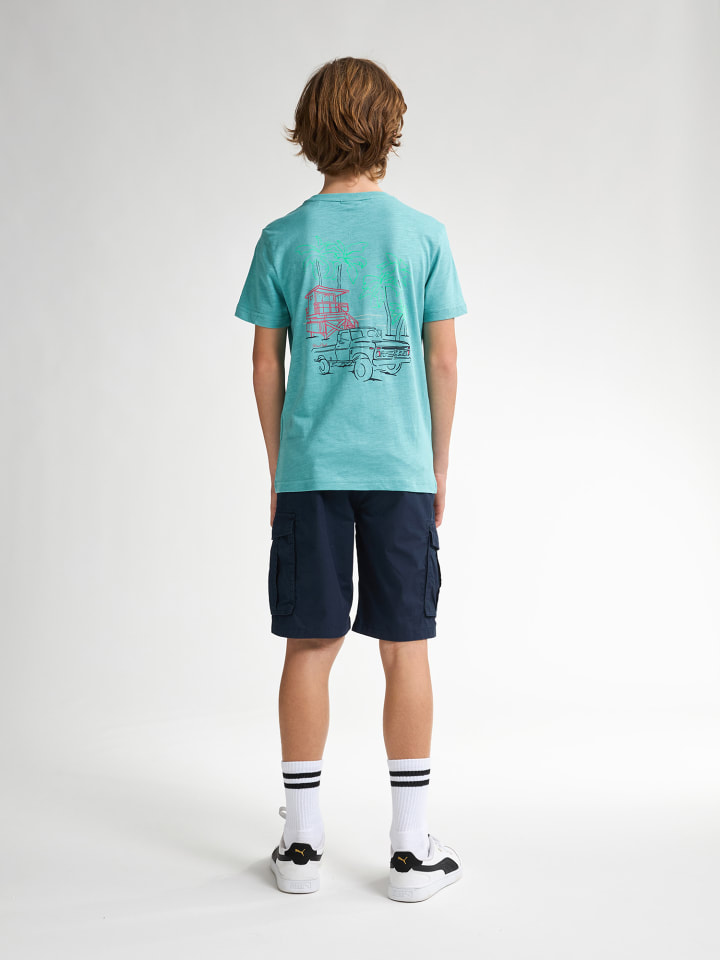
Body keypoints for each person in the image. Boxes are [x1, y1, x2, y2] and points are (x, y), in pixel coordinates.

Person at [234, 57, 467, 902]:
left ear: (308, 132)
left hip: (311, 472)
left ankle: (301, 844)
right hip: (400, 469)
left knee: (309, 645)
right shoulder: (423, 234)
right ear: (390, 130)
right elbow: (443, 361)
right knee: (406, 646)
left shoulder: (282, 238)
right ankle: (410, 848)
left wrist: (280, 467)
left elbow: (266, 363)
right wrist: (437, 466)